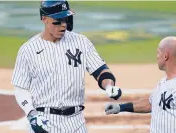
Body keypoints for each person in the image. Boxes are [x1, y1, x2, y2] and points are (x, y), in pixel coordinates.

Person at [11, 1, 122, 133]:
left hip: (76, 122)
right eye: (57, 21)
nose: (63, 25)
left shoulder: (81, 42)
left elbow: (101, 71)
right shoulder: (28, 50)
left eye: (66, 19)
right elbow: (20, 88)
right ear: (44, 19)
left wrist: (109, 86)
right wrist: (31, 113)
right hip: (45, 121)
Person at [105, 36, 176, 133]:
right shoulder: (164, 82)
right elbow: (151, 103)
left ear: (165, 56)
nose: (157, 56)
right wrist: (120, 107)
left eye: (158, 52)